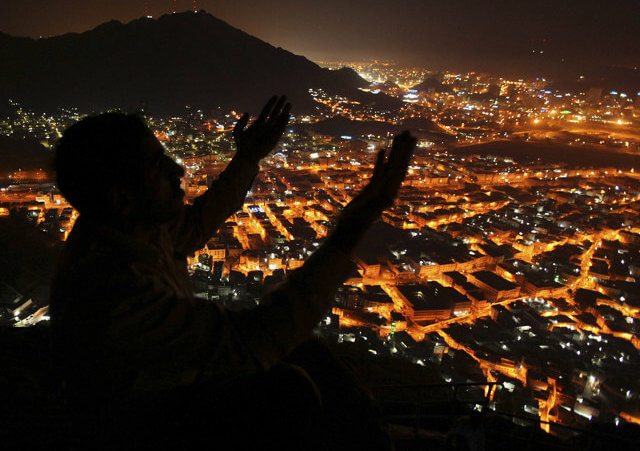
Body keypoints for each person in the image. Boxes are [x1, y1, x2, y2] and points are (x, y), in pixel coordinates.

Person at [50, 96, 416, 448]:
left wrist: (247, 157)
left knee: (311, 357)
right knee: (292, 388)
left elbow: (197, 224)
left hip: (169, 390)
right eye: (157, 166)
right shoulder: (113, 287)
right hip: (143, 426)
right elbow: (251, 340)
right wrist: (351, 228)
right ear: (122, 197)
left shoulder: (133, 227)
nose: (177, 170)